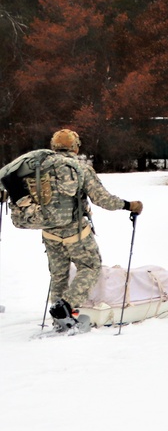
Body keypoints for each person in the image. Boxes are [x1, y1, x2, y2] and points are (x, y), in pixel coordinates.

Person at [2, 129, 143, 332]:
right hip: (75, 232)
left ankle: (58, 317)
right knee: (90, 266)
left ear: (53, 146)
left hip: (49, 232)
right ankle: (65, 307)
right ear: (76, 147)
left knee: (58, 275)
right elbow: (103, 199)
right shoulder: (80, 168)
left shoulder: (37, 167)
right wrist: (129, 205)